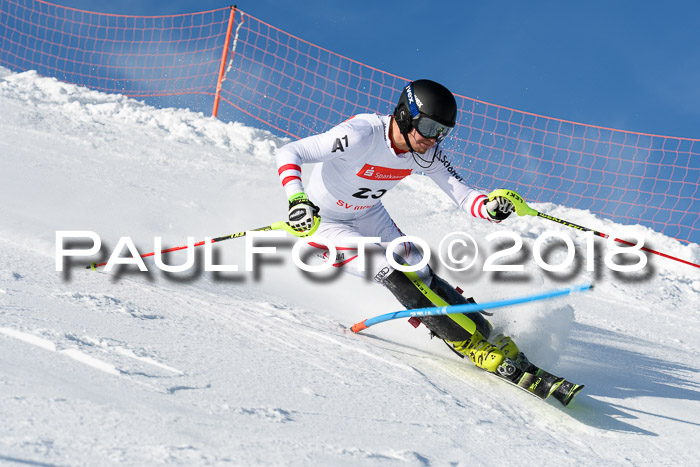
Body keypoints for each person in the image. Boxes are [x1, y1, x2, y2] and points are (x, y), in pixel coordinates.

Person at [275, 79, 519, 376]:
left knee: (418, 266)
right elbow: (290, 152)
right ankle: (467, 344)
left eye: (443, 132)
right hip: (324, 224)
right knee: (389, 268)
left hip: (368, 214)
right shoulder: (361, 135)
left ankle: (482, 330)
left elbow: (465, 195)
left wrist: (491, 208)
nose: (433, 139)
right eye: (429, 128)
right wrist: (297, 200)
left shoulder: (426, 153)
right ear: (405, 114)